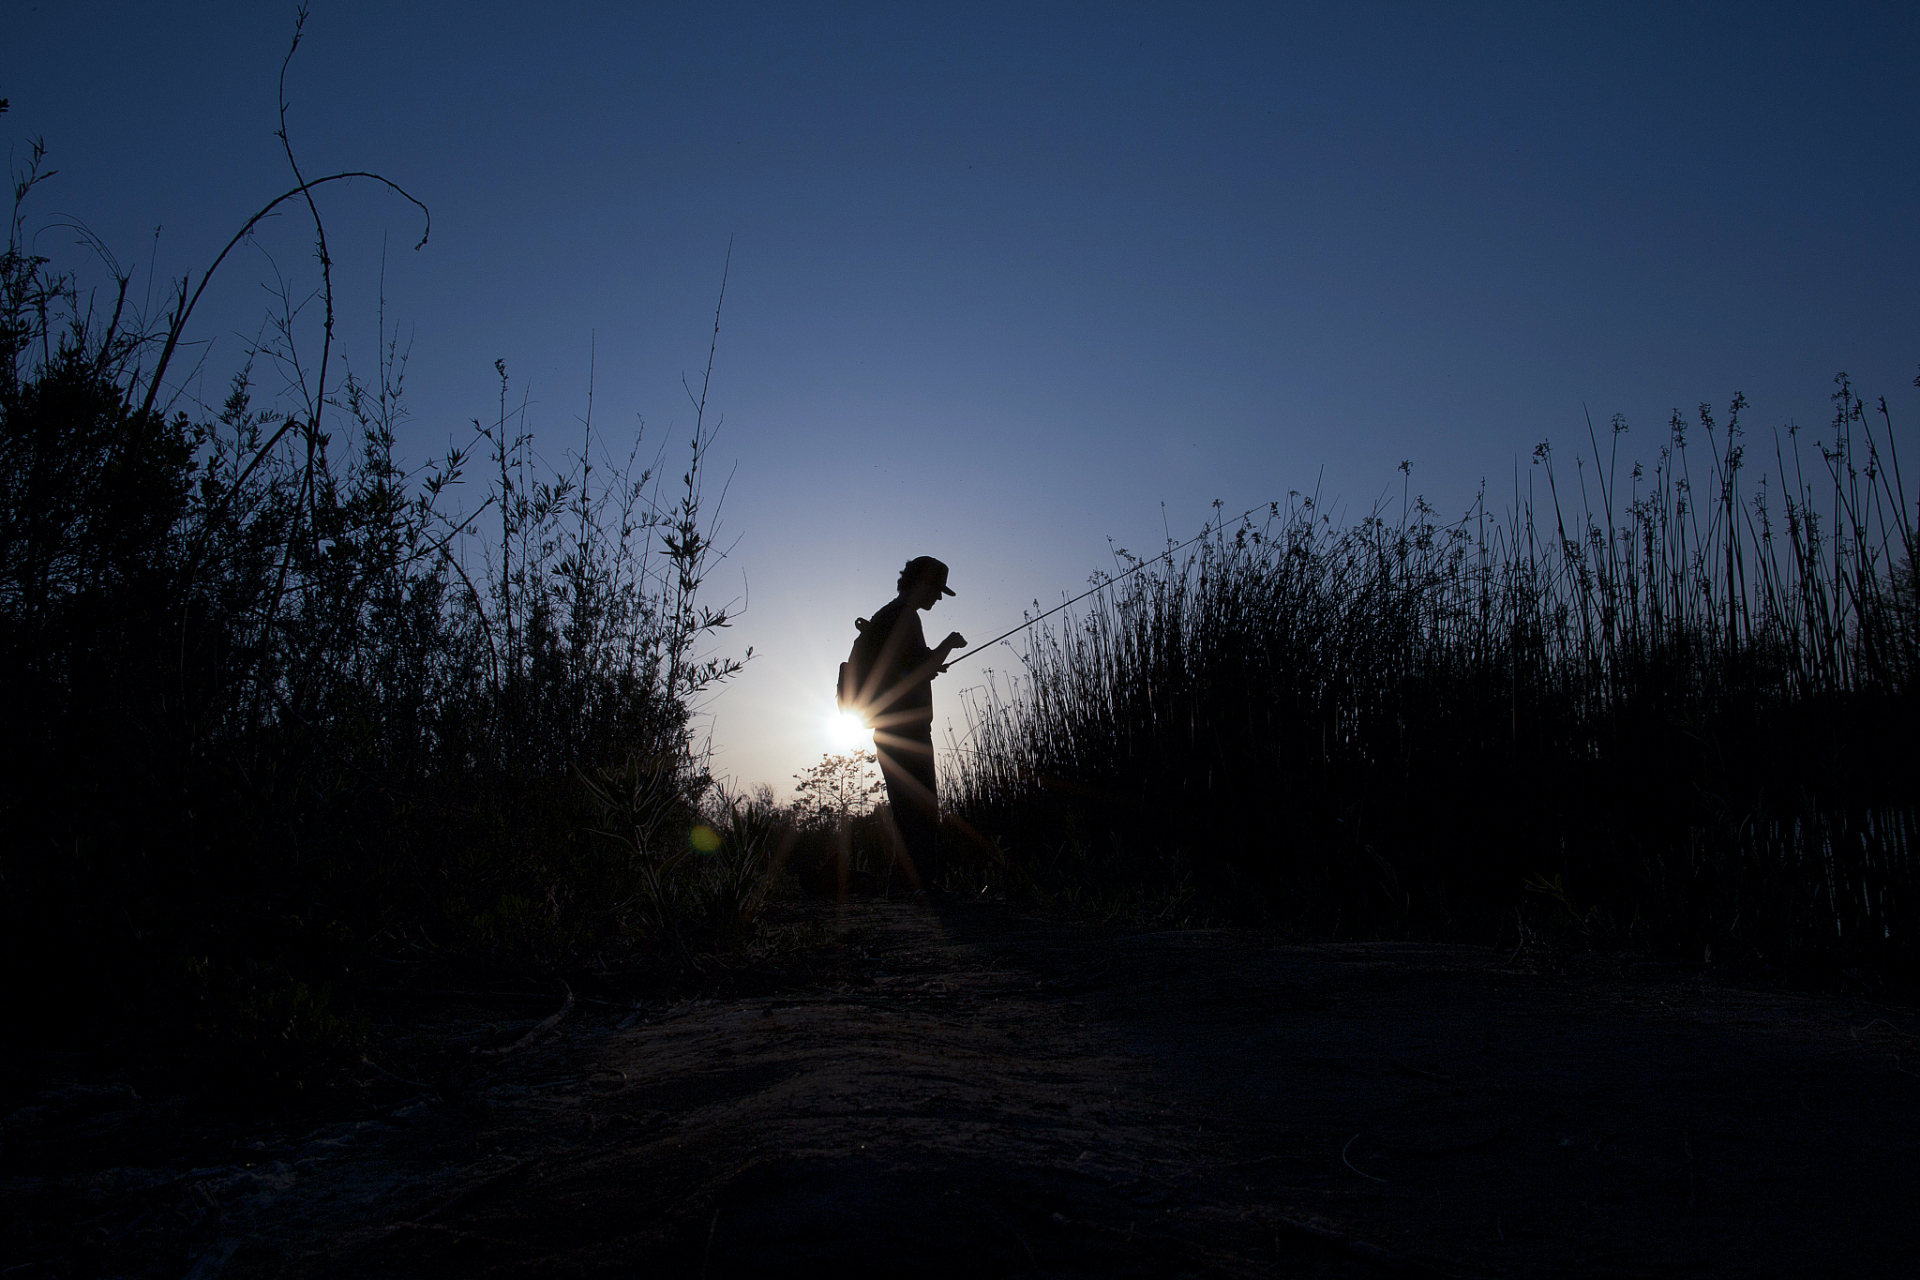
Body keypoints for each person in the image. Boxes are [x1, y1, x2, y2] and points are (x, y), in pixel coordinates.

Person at [859, 556, 965, 895]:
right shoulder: (905, 617)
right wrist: (948, 644)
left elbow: (905, 668)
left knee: (907, 806)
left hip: (888, 727)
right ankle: (919, 884)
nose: (937, 598)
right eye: (935, 590)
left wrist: (928, 663)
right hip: (907, 729)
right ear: (921, 584)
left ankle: (905, 882)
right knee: (920, 805)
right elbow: (916, 670)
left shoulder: (887, 615)